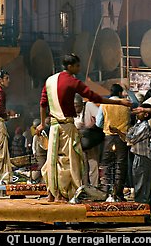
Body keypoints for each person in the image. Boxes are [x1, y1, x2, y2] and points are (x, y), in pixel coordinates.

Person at [36, 54, 132, 202]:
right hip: (67, 127)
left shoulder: (49, 81)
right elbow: (95, 97)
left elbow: (43, 104)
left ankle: (52, 193)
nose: (79, 68)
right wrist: (119, 102)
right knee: (70, 161)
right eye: (77, 66)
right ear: (70, 66)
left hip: (54, 127)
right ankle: (63, 194)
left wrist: (43, 123)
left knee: (53, 160)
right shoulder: (72, 81)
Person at [110, 103, 151, 204]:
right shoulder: (137, 125)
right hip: (137, 157)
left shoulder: (145, 126)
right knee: (138, 183)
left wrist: (119, 132)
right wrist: (118, 132)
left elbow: (132, 139)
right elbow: (127, 138)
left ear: (146, 114)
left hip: (143, 157)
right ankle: (141, 207)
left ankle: (143, 210)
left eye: (139, 112)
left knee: (142, 185)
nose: (137, 113)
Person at [96, 83, 132, 201]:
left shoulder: (104, 104)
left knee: (107, 164)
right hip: (122, 138)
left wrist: (106, 126)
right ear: (120, 93)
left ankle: (106, 192)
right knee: (120, 166)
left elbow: (98, 123)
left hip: (108, 138)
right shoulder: (126, 104)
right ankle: (118, 193)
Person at [74, 93, 101, 187]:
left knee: (93, 164)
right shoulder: (72, 112)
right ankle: (84, 187)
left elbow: (100, 118)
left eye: (78, 106)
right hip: (79, 141)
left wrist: (91, 126)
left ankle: (94, 187)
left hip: (91, 139)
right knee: (82, 165)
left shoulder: (89, 106)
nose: (76, 109)